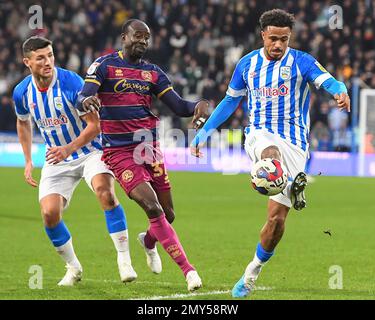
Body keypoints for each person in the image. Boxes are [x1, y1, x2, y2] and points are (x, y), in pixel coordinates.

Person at [190, 9, 350, 298]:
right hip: (259, 135)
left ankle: (251, 273)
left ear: (290, 38)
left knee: (276, 221)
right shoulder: (247, 64)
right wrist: (204, 132)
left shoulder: (301, 61)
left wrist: (339, 90)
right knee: (270, 153)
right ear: (263, 34)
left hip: (296, 144)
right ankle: (281, 178)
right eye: (273, 38)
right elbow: (230, 102)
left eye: (284, 40)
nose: (278, 45)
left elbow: (327, 80)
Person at [76, 19, 209, 291]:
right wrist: (86, 101)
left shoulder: (153, 73)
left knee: (168, 214)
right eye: (138, 36)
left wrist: (201, 106)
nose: (143, 42)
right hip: (119, 152)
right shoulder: (104, 66)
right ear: (123, 37)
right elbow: (83, 95)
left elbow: (179, 105)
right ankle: (189, 271)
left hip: (149, 149)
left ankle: (148, 242)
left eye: (147, 38)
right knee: (152, 207)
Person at [13, 36, 137, 286]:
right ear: (27, 62)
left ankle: (124, 260)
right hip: (57, 157)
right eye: (40, 58)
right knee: (49, 214)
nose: (48, 61)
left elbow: (95, 126)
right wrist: (28, 160)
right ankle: (73, 267)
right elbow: (23, 122)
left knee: (106, 193)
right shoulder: (22, 92)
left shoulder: (72, 83)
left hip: (90, 151)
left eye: (50, 55)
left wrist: (68, 149)